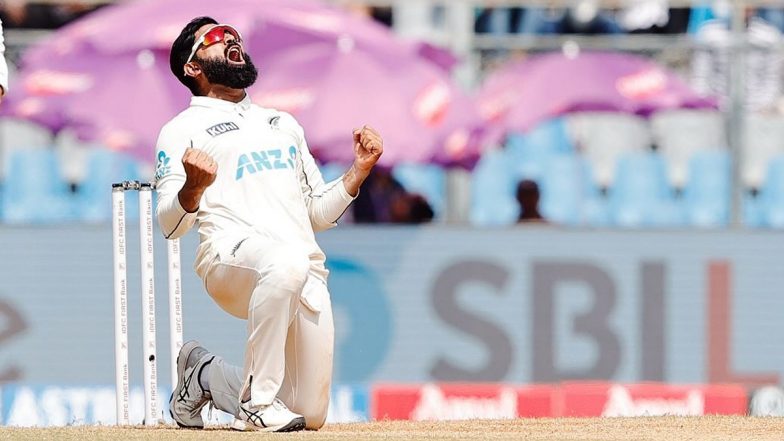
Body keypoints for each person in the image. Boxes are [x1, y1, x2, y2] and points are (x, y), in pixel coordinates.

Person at [155, 17, 383, 432]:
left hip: (302, 271)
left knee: (308, 414)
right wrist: (192, 188)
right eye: (215, 39)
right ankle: (259, 404)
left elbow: (317, 213)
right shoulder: (180, 130)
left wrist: (358, 172)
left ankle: (203, 374)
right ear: (193, 68)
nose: (231, 40)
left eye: (234, 35)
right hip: (229, 259)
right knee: (286, 262)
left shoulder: (283, 123)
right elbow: (170, 227)